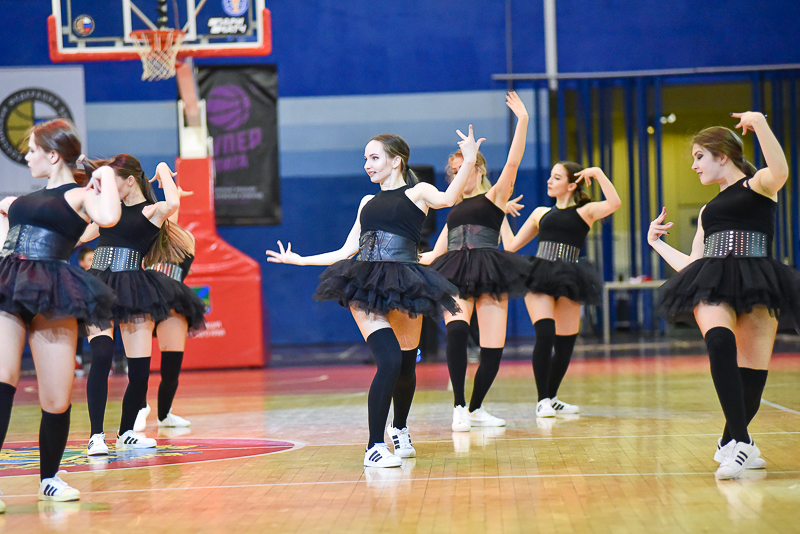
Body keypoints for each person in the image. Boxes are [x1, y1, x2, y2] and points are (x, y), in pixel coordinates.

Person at [267, 127, 483, 468]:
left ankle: (399, 428)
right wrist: (301, 260)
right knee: (389, 361)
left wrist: (469, 160)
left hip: (406, 282)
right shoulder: (367, 202)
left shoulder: (418, 192)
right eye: (365, 158)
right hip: (366, 284)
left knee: (406, 365)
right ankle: (374, 447)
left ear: (396, 161)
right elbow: (347, 250)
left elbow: (447, 199)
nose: (367, 164)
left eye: (374, 157)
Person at [648, 112, 793, 480]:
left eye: (699, 156)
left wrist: (759, 123)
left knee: (752, 380)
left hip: (758, 280)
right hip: (712, 281)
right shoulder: (706, 210)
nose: (694, 166)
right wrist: (656, 244)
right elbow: (694, 263)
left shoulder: (759, 186)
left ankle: (732, 443)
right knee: (719, 342)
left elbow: (780, 170)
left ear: (722, 155)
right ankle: (741, 443)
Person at [0, 118, 121, 505]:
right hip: (10, 284)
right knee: (3, 377)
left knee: (56, 398)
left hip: (54, 291)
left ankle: (49, 479)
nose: (26, 156)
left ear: (53, 156)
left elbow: (110, 217)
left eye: (32, 150)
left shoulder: (82, 196)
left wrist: (105, 174)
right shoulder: (18, 201)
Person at [420, 91, 531, 431]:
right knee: (456, 330)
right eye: (453, 171)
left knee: (492, 348)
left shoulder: (495, 197)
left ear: (478, 169)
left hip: (489, 271)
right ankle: (458, 406)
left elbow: (512, 164)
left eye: (463, 168)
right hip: (454, 271)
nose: (457, 175)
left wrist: (523, 120)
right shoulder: (452, 210)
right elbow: (436, 252)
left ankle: (476, 407)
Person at [80, 154, 181, 455]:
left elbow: (173, 203)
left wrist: (162, 169)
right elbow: (80, 235)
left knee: (139, 372)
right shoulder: (108, 212)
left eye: (114, 181)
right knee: (101, 357)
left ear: (130, 181)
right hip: (99, 285)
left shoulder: (152, 211)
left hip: (134, 289)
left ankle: (126, 433)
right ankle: (96, 436)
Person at [506, 162, 621, 418]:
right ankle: (542, 400)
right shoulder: (540, 213)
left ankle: (552, 396)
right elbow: (511, 245)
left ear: (570, 185)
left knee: (566, 344)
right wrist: (502, 213)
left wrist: (598, 173)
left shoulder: (585, 211)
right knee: (545, 334)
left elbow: (614, 203)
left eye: (556, 178)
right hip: (540, 275)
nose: (549, 181)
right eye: (550, 176)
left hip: (570, 277)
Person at [135, 198, 204, 431]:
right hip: (145, 295)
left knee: (171, 367)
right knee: (138, 359)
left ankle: (165, 415)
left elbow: (170, 222)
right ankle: (139, 407)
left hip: (174, 299)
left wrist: (174, 197)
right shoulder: (146, 234)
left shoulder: (185, 237)